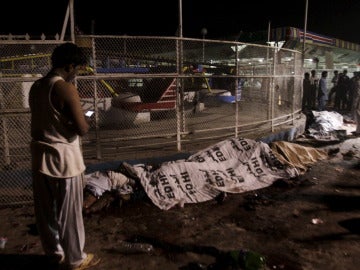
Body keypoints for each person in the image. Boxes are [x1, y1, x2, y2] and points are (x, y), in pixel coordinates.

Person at [29, 43, 100, 269]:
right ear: (70, 65)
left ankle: (55, 254)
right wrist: (83, 118)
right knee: (69, 214)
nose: (77, 72)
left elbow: (50, 120)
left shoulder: (37, 86)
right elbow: (82, 128)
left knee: (46, 213)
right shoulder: (65, 88)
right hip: (64, 162)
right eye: (77, 68)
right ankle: (76, 260)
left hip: (41, 158)